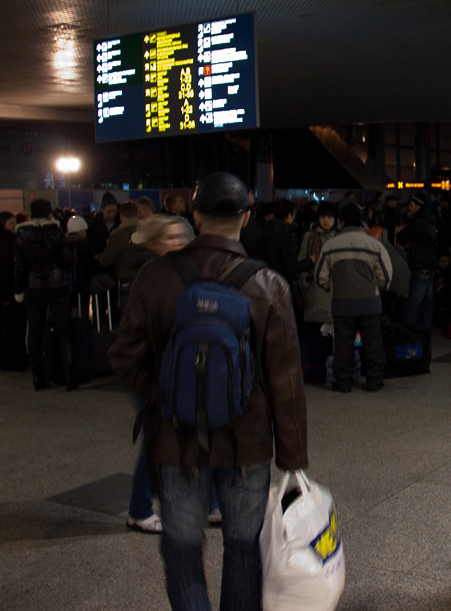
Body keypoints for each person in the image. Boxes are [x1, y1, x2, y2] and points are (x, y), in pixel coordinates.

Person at [109, 172, 308, 610]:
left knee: (181, 548)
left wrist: (165, 393)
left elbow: (124, 356)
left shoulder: (155, 276)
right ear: (246, 217)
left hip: (174, 440)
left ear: (195, 216)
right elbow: (286, 381)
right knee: (242, 547)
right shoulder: (268, 284)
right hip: (247, 444)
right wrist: (292, 456)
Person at [121, 213, 196, 535]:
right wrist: (145, 382)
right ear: (154, 242)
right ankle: (139, 510)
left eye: (181, 236)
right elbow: (132, 337)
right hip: (151, 374)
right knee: (155, 442)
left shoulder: (181, 270)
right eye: (170, 237)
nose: (178, 242)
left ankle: (208, 503)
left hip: (174, 371)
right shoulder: (147, 275)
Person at [316, 203, 393, 392]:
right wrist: (377, 287)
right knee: (373, 344)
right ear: (361, 221)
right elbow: (385, 276)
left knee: (343, 345)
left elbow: (320, 277)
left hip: (342, 304)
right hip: (370, 304)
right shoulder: (374, 245)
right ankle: (375, 382)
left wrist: (333, 287)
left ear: (341, 222)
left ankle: (343, 383)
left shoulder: (330, 246)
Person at [14, 199, 76, 391]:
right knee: (63, 332)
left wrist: (19, 289)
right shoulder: (55, 231)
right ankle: (69, 377)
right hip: (58, 285)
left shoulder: (21, 233)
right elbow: (68, 258)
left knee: (35, 332)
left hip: (34, 287)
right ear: (49, 212)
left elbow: (18, 265)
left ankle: (37, 378)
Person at [396, 191, 438, 328]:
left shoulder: (418, 221)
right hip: (430, 266)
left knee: (413, 304)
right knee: (427, 304)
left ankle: (409, 333)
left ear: (418, 206)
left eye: (411, 205)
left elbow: (401, 237)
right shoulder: (431, 220)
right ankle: (425, 334)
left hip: (420, 265)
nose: (409, 207)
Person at [298, 201, 338, 330]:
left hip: (334, 290)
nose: (326, 220)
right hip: (314, 291)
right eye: (323, 217)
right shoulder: (310, 236)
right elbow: (302, 260)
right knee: (314, 330)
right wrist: (306, 283)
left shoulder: (338, 237)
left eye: (329, 217)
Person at [0, 211, 28, 371]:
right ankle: (15, 359)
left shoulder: (11, 241)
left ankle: (10, 359)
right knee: (15, 327)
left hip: (9, 291)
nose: (14, 226)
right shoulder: (9, 243)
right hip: (11, 292)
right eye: (11, 223)